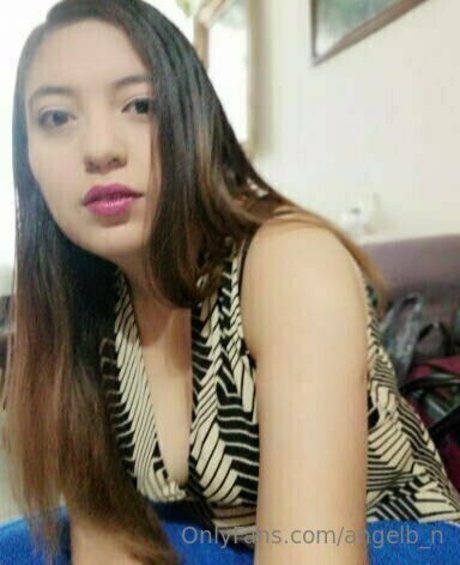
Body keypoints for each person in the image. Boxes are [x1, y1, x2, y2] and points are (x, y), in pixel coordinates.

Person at [3, 0, 460, 563]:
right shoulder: (89, 300)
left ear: (194, 121)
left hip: (389, 541)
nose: (100, 149)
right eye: (56, 118)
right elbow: (108, 536)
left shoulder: (288, 264)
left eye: (140, 105)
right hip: (223, 533)